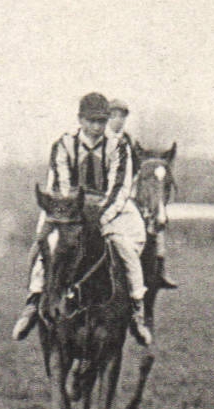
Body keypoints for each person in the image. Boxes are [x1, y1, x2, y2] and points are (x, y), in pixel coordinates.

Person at [12, 92, 154, 345]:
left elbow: (119, 188)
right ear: (80, 119)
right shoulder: (64, 145)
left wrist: (101, 216)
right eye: (91, 121)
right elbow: (61, 184)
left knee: (125, 248)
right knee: (47, 244)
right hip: (69, 210)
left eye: (101, 121)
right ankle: (33, 301)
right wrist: (72, 212)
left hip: (106, 210)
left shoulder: (118, 147)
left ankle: (136, 309)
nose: (97, 127)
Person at [107, 96, 179, 290]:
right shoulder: (100, 140)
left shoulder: (127, 141)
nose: (118, 120)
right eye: (114, 116)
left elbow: (134, 168)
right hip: (103, 196)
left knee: (155, 220)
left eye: (122, 116)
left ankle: (159, 269)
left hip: (124, 194)